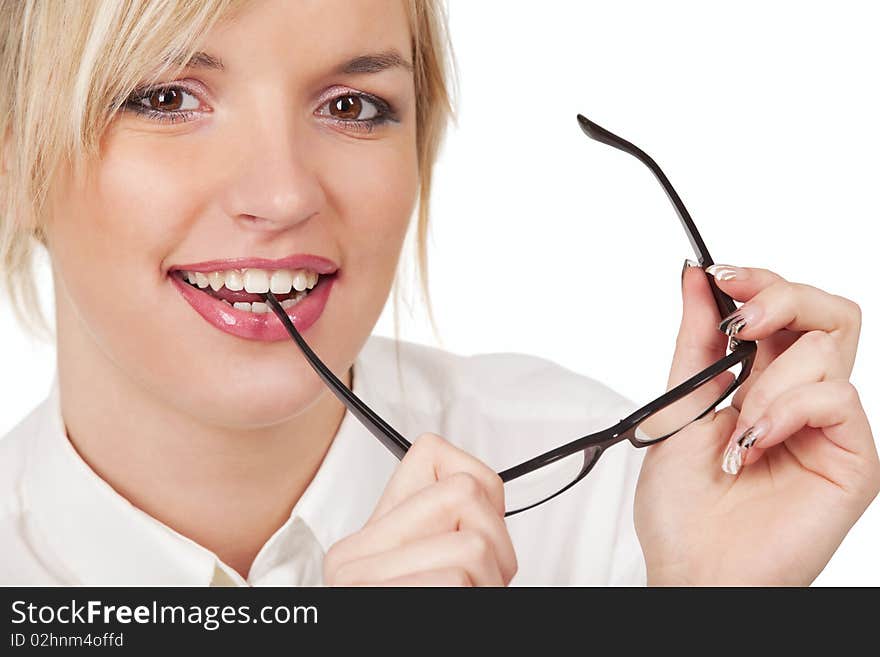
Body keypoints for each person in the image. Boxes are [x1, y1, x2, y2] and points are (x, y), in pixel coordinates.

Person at [0, 0, 876, 587]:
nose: (281, 193)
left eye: (352, 106)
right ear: (14, 152)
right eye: (165, 96)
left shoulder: (620, 505)